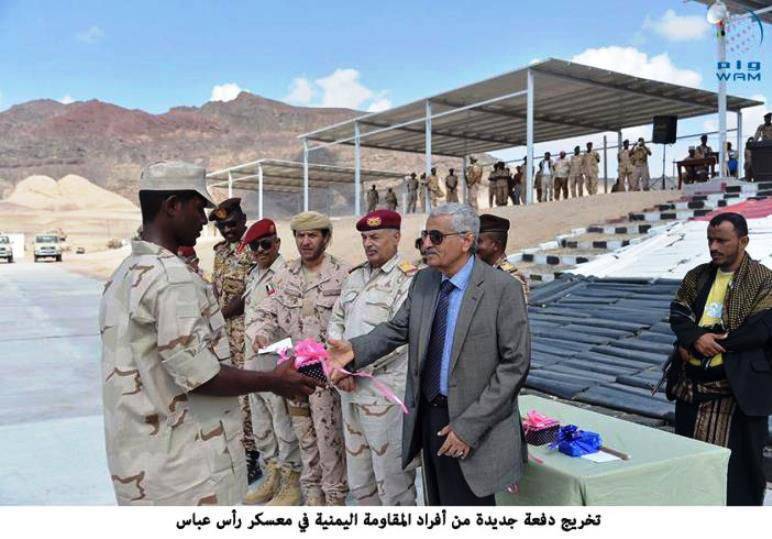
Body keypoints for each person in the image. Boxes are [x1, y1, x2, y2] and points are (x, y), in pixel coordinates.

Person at [99, 161, 319, 505]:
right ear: (172, 206)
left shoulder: (125, 273)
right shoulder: (170, 278)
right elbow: (202, 376)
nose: (205, 219)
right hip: (186, 472)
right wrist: (275, 381)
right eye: (197, 207)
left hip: (142, 463)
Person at [327, 203, 531, 506]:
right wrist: (356, 349)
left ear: (466, 240)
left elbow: (515, 366)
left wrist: (468, 427)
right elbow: (397, 329)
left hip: (475, 423)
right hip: (430, 417)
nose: (425, 244)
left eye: (435, 237)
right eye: (424, 236)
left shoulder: (502, 289)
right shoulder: (424, 282)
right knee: (438, 501)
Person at [667, 212, 772, 506]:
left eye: (722, 241)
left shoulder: (764, 280)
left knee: (738, 471)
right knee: (691, 462)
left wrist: (706, 342)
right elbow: (678, 312)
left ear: (743, 241)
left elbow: (761, 328)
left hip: (739, 390)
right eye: (710, 240)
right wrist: (694, 338)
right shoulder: (697, 276)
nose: (714, 247)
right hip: (692, 387)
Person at [251, 211, 350, 506]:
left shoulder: (344, 275)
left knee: (328, 437)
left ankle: (334, 500)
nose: (305, 242)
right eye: (300, 236)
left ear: (326, 238)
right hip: (295, 371)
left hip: (327, 372)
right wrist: (261, 333)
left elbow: (352, 323)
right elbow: (265, 312)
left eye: (313, 235)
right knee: (304, 437)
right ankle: (312, 497)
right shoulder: (285, 276)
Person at [328, 210, 418, 506]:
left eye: (376, 237)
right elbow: (336, 323)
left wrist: (350, 367)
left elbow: (399, 338)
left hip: (385, 396)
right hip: (350, 393)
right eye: (365, 237)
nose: (368, 243)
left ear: (396, 237)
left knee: (392, 482)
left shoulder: (408, 280)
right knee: (361, 481)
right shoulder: (355, 278)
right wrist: (341, 369)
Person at [241, 219, 303, 506]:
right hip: (253, 362)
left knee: (283, 421)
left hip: (277, 360)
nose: (260, 250)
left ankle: (292, 481)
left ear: (277, 244)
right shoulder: (253, 275)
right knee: (261, 422)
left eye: (266, 244)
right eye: (255, 246)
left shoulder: (288, 274)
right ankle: (273, 473)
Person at [210, 197, 260, 485]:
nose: (227, 231)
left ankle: (252, 455)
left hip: (246, 329)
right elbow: (217, 289)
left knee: (246, 395)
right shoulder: (220, 253)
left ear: (243, 220)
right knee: (227, 390)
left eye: (231, 224)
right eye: (221, 227)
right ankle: (236, 447)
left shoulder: (254, 249)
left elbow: (250, 293)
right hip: (223, 332)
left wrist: (218, 315)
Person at [477, 214, 529, 301]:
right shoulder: (481, 271)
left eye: (479, 242)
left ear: (496, 245)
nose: (474, 246)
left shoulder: (512, 278)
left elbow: (516, 313)